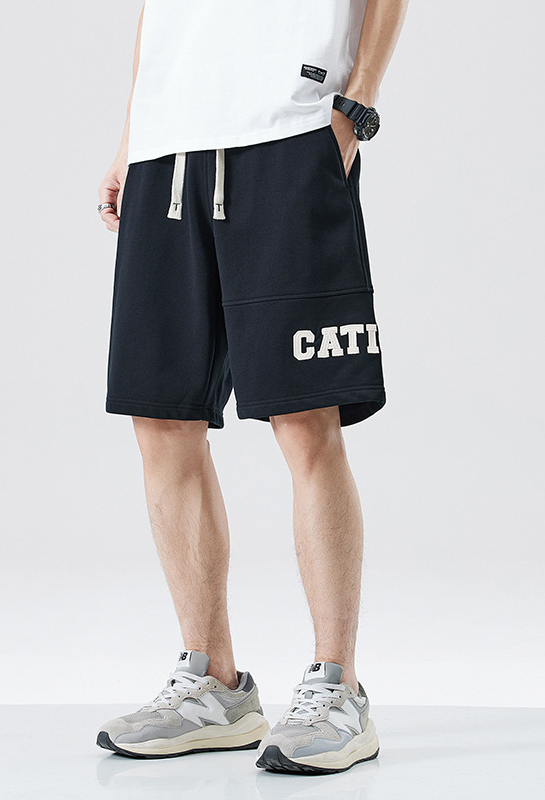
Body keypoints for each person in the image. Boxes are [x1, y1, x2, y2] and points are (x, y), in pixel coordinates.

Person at [96, 0, 408, 776]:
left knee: (303, 419)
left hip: (290, 130)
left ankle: (338, 690)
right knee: (161, 419)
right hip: (168, 147)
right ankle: (215, 685)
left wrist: (355, 107)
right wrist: (134, 135)